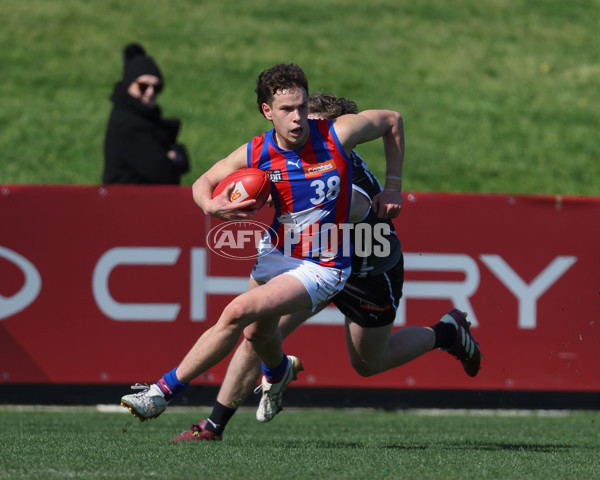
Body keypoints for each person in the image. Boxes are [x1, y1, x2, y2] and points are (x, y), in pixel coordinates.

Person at [168, 92, 482, 441]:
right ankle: (213, 426)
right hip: (315, 264)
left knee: (368, 364)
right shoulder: (291, 160)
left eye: (312, 125)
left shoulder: (347, 178)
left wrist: (285, 194)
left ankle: (448, 332)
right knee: (258, 331)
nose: (298, 130)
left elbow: (352, 206)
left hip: (367, 272)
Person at [120, 63, 405, 427]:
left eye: (301, 106)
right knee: (256, 332)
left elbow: (392, 120)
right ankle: (279, 368)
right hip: (277, 253)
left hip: (323, 266)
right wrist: (211, 205)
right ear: (267, 112)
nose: (297, 117)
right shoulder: (257, 152)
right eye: (287, 110)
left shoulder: (337, 134)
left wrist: (393, 186)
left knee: (238, 312)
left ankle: (160, 393)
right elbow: (204, 181)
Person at [103, 43, 190, 184]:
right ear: (128, 85)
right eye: (143, 86)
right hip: (127, 202)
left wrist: (176, 156)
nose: (150, 92)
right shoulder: (128, 124)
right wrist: (175, 156)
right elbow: (164, 173)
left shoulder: (142, 118)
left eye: (157, 87)